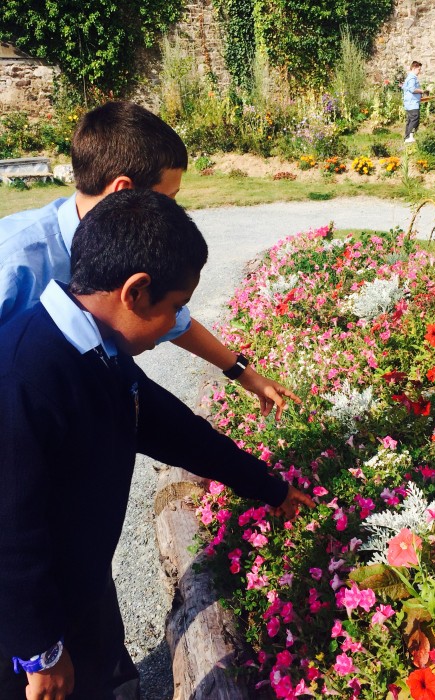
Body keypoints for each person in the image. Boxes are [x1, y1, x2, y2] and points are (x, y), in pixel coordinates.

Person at [0, 189, 315, 700]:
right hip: (27, 627)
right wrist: (41, 651)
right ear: (135, 291)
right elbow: (11, 536)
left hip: (82, 585)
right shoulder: (23, 375)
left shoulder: (101, 351)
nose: (175, 325)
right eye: (174, 308)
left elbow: (178, 431)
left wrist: (271, 489)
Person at [0, 100, 299, 420]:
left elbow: (168, 317)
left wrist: (244, 374)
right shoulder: (14, 262)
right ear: (122, 191)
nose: (174, 211)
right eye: (168, 198)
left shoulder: (127, 240)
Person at [402, 60, 424, 143]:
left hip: (409, 103)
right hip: (412, 103)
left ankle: (407, 138)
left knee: (410, 120)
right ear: (414, 68)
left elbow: (404, 87)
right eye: (419, 69)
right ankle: (410, 137)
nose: (419, 71)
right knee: (415, 119)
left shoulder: (409, 77)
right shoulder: (412, 77)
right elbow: (412, 89)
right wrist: (421, 91)